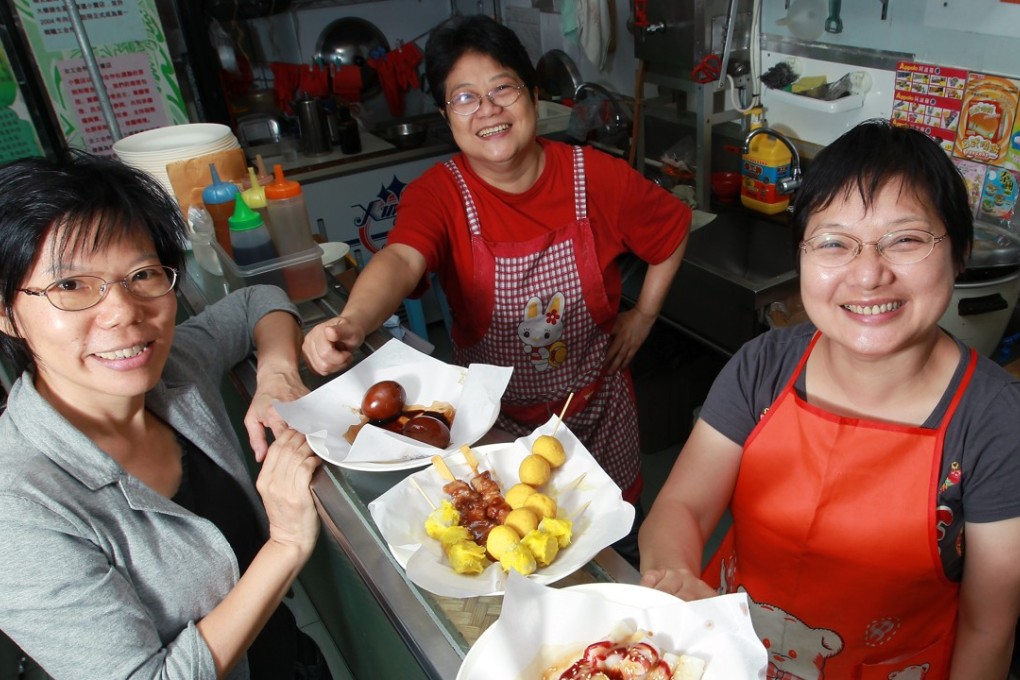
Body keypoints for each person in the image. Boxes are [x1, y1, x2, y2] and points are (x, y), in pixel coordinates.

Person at [638, 119, 1020, 678]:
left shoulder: (994, 421)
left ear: (959, 254)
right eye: (835, 242)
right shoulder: (764, 366)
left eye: (906, 239)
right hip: (732, 657)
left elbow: (990, 625)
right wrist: (671, 576)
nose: (868, 275)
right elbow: (681, 507)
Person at [302, 15, 690, 559]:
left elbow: (672, 228)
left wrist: (644, 315)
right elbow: (400, 259)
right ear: (446, 115)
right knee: (516, 553)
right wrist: (354, 321)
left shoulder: (594, 176)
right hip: (496, 430)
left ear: (532, 95)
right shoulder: (439, 195)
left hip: (596, 418)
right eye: (464, 98)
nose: (487, 109)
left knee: (614, 552)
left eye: (502, 88)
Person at [0, 153, 324, 679]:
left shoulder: (175, 373)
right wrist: (285, 544)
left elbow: (256, 301)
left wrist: (277, 376)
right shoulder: (17, 508)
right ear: (6, 310)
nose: (124, 312)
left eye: (143, 274)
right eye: (70, 286)